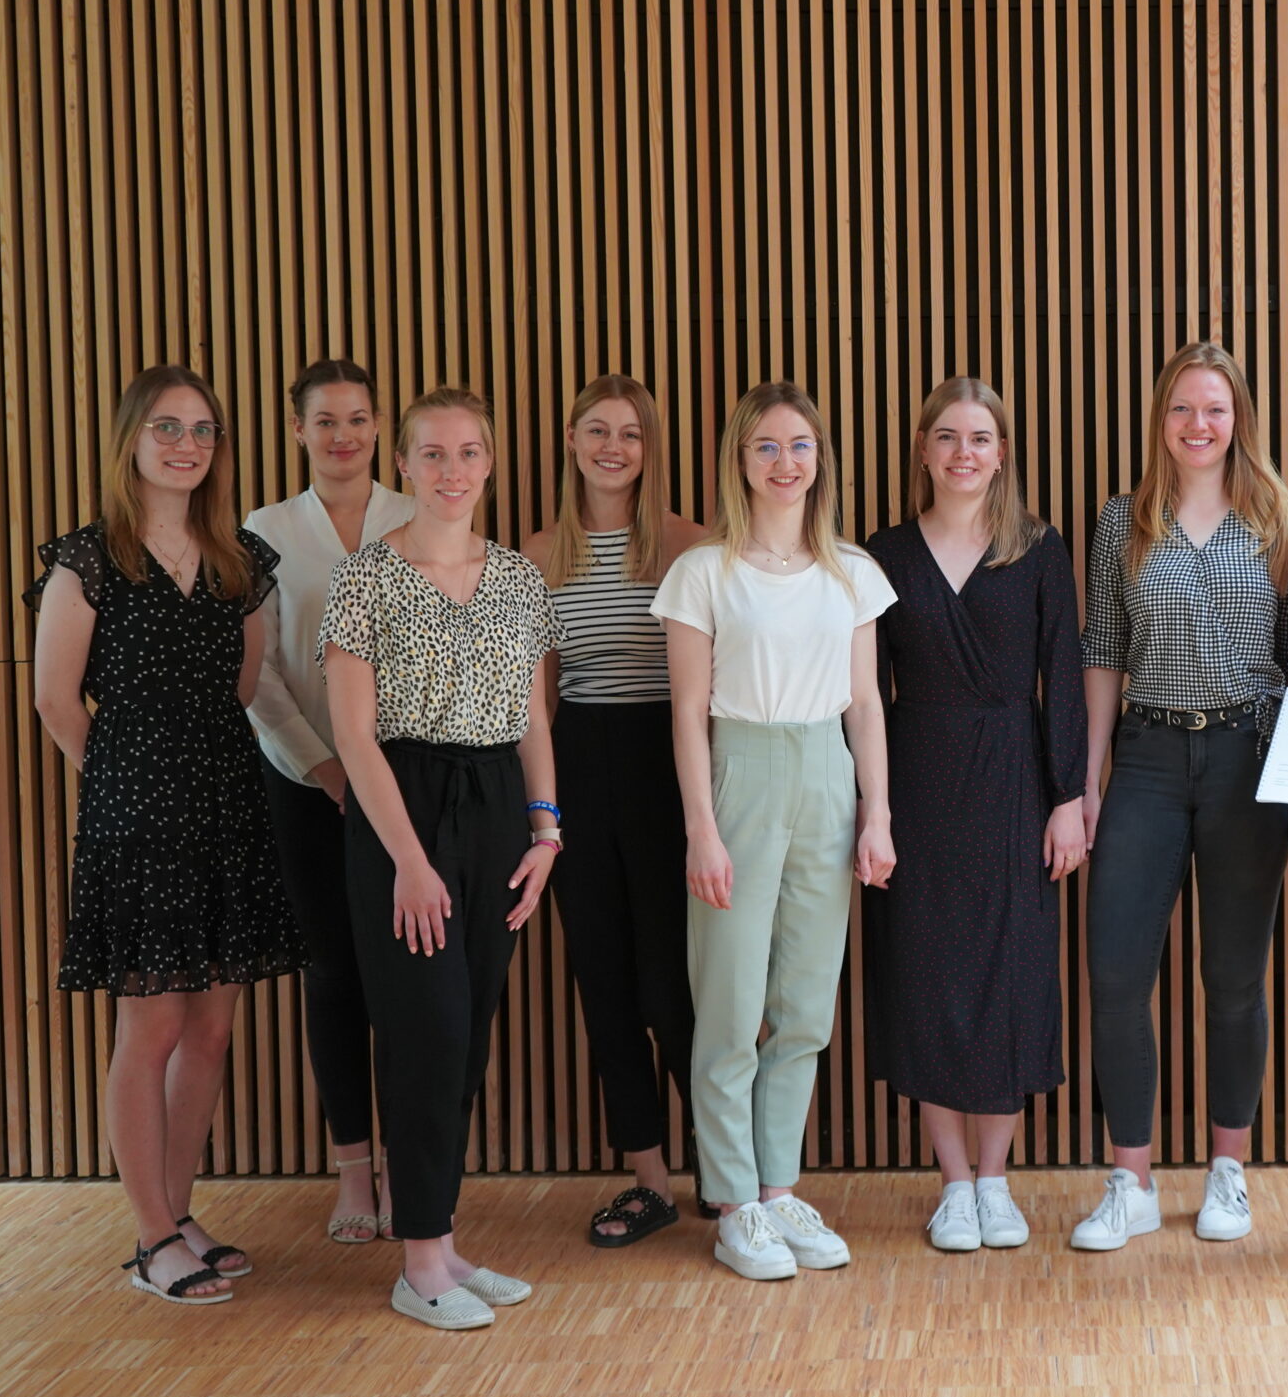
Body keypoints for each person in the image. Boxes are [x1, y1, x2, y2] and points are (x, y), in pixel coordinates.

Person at [27, 364, 302, 1306]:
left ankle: (180, 1215)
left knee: (214, 1027)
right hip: (137, 818)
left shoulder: (241, 560)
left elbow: (243, 689)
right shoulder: (87, 560)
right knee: (150, 1027)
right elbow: (57, 702)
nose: (188, 446)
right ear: (131, 441)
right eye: (168, 428)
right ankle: (149, 1237)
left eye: (205, 431)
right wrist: (126, 793)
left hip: (226, 801)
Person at [320, 387, 564, 1330]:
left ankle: (443, 1240)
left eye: (469, 453)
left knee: (465, 1040)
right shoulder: (366, 578)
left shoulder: (516, 578)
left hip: (499, 809)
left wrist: (547, 832)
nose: (452, 470)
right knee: (423, 1033)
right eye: (432, 454)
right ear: (406, 464)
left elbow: (534, 716)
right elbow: (353, 735)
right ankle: (417, 1262)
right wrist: (410, 863)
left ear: (490, 463)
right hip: (402, 814)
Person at [653, 382, 898, 1281]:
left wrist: (876, 813)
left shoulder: (853, 573)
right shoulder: (703, 573)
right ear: (740, 460)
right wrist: (701, 830)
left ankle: (779, 1188)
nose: (785, 462)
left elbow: (868, 704)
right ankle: (732, 1200)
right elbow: (687, 715)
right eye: (766, 447)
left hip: (828, 775)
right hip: (742, 774)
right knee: (728, 1001)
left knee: (803, 1006)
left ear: (820, 457)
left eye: (800, 444)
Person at [1075, 340, 1288, 1251]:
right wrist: (1089, 779)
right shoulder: (1121, 521)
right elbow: (1101, 653)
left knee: (1234, 977)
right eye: (1181, 410)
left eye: (1214, 409)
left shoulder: (1282, 521)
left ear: (1238, 416)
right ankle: (1129, 1182)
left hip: (1250, 757)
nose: (1198, 425)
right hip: (1149, 757)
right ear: (1160, 422)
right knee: (1119, 972)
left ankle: (1227, 1174)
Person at [862, 377, 1086, 1254]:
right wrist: (869, 808)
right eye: (947, 436)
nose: (964, 452)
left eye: (981, 438)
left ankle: (996, 1180)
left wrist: (1067, 797)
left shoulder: (1037, 548)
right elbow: (864, 695)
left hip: (1014, 780)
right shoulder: (879, 554)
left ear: (1002, 454)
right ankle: (952, 1183)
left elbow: (1063, 675)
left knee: (1010, 975)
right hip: (914, 781)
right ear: (922, 449)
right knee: (926, 977)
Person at [524, 374, 708, 1247]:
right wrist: (545, 816)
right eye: (596, 430)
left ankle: (722, 1164)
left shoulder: (688, 546)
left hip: (670, 774)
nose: (612, 447)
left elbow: (708, 694)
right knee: (605, 987)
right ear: (570, 439)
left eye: (630, 434)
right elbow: (539, 705)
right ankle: (646, 1180)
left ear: (650, 447)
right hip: (581, 774)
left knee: (674, 989)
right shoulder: (535, 555)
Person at [245, 359, 417, 1245]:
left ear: (380, 425)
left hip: (413, 780)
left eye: (357, 418)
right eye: (325, 421)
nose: (343, 435)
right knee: (335, 973)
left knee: (407, 977)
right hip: (305, 783)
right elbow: (259, 674)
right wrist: (323, 767)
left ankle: (411, 1168)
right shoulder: (264, 531)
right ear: (299, 430)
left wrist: (385, 773)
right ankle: (355, 1168)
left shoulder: (418, 512)